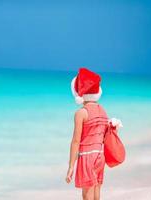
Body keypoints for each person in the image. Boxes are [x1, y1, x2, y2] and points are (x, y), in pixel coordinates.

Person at [65, 67, 109, 200]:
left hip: (87, 157)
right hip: (100, 156)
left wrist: (71, 166)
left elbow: (76, 141)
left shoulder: (81, 113)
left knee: (86, 195)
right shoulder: (102, 110)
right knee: (96, 190)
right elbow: (104, 136)